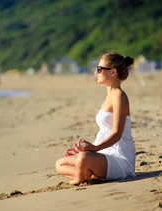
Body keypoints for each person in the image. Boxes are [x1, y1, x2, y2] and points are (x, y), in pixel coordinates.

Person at [55, 52, 136, 184]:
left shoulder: (119, 97)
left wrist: (93, 148)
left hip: (120, 160)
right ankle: (88, 173)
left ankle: (80, 177)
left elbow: (117, 134)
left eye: (99, 69)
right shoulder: (109, 97)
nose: (96, 72)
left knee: (83, 158)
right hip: (104, 154)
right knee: (60, 164)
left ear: (113, 72)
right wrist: (88, 150)